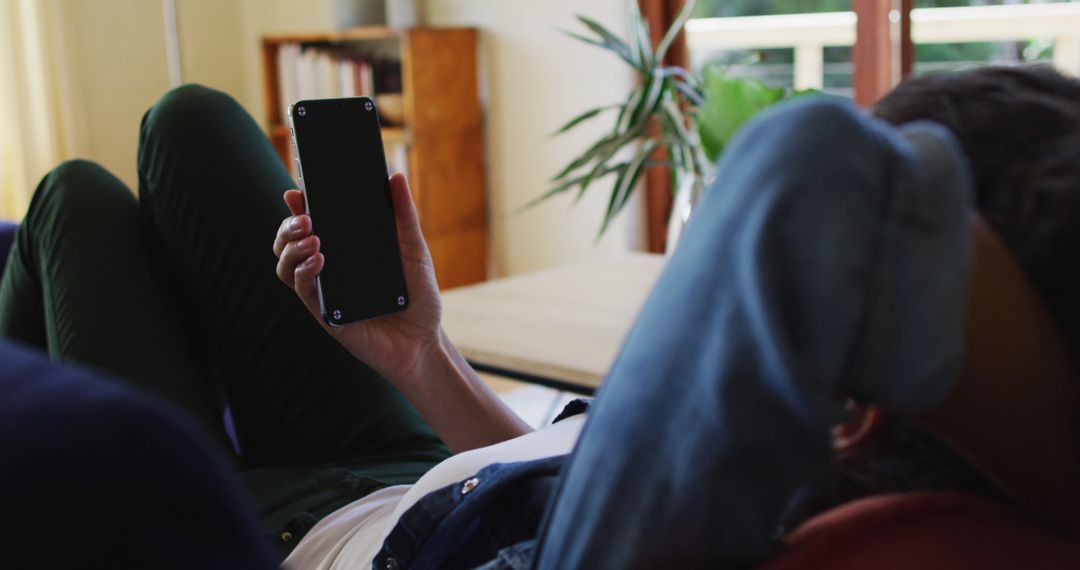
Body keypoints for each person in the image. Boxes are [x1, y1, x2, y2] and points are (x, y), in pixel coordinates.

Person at [1, 65, 1078, 568]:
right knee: (189, 118)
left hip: (285, 528)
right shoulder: (694, 486)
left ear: (862, 411)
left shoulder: (697, 537)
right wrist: (420, 353)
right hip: (408, 450)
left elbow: (826, 185)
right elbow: (554, 481)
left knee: (73, 205)